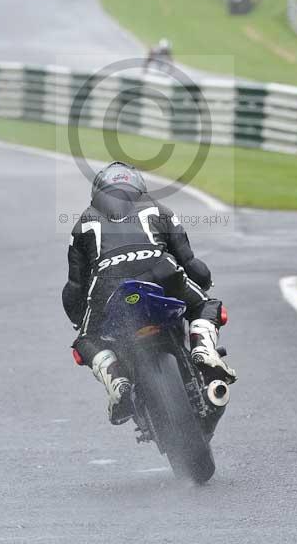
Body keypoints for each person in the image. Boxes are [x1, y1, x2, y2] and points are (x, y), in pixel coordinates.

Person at [62, 161, 236, 425]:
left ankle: (117, 381)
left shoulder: (83, 224)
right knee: (205, 305)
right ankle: (203, 349)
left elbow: (75, 286)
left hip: (108, 284)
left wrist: (80, 320)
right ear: (138, 186)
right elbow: (189, 262)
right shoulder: (159, 209)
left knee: (86, 340)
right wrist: (203, 281)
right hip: (160, 269)